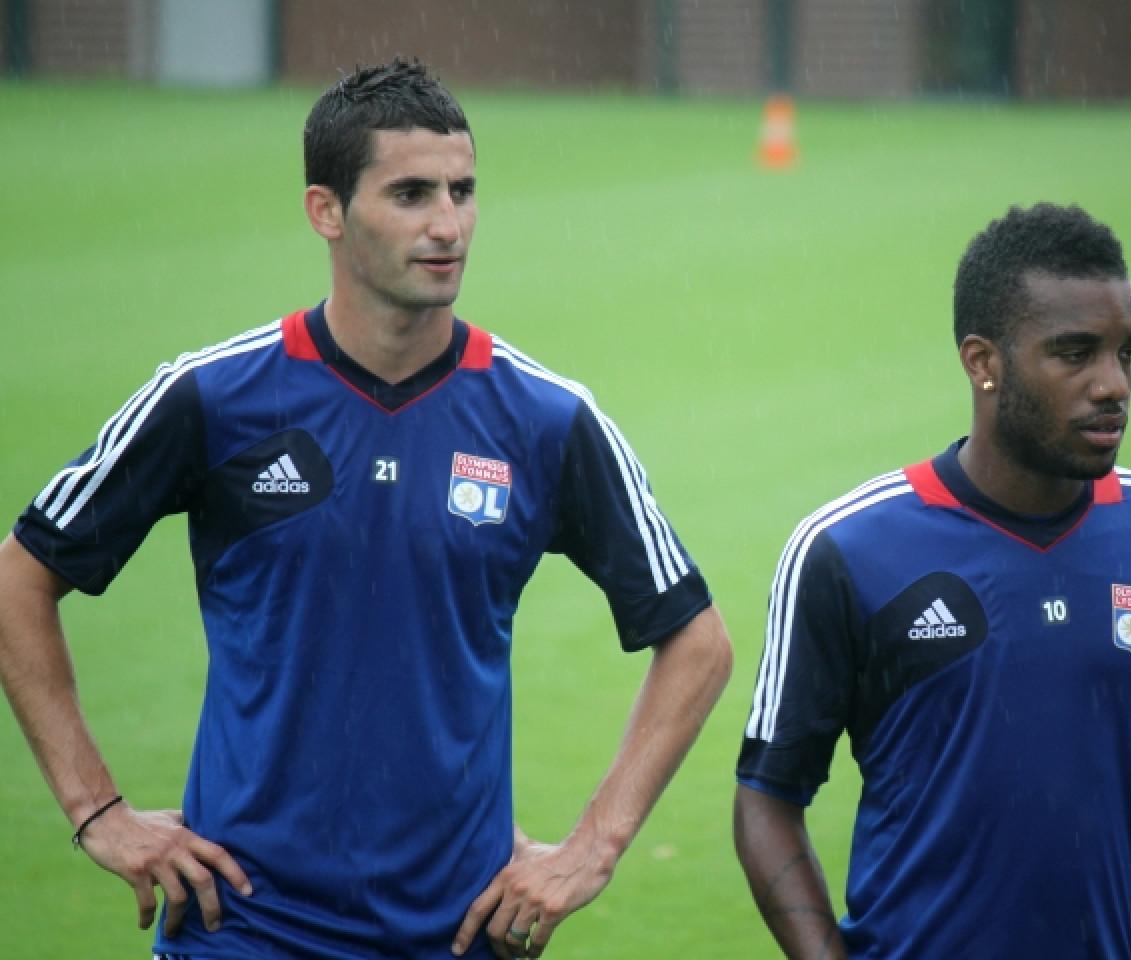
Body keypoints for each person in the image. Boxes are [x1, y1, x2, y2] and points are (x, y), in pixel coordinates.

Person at [0, 59, 732, 960]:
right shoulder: (213, 398)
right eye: (412, 193)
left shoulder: (547, 420)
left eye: (463, 191)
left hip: (454, 937)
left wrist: (592, 851)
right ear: (327, 210)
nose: (448, 224)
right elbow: (18, 579)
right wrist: (98, 814)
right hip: (244, 931)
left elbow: (697, 642)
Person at [734, 203, 1131, 960]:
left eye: (1127, 354)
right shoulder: (848, 549)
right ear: (982, 362)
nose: (1113, 384)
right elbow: (767, 797)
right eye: (1075, 353)